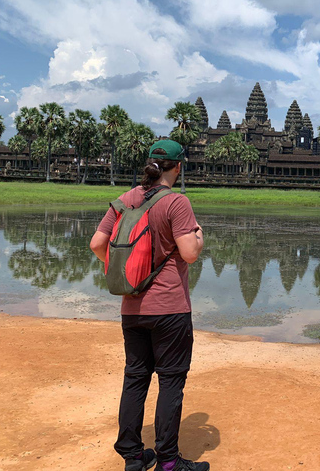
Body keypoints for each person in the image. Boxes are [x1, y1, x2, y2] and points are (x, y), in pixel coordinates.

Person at [90, 139, 208, 471]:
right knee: (170, 380)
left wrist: (127, 275)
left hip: (132, 307)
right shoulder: (177, 202)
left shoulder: (126, 199)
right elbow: (190, 253)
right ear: (178, 167)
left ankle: (133, 456)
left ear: (150, 165)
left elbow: (97, 243)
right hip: (170, 307)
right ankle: (169, 461)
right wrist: (199, 235)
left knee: (136, 377)